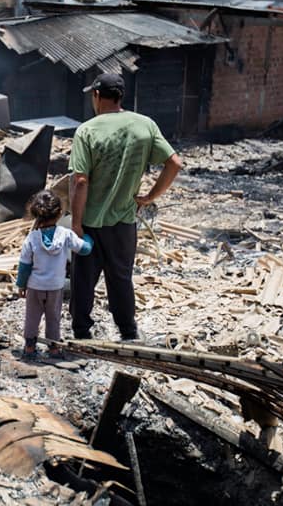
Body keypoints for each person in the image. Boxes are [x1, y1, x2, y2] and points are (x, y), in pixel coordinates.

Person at [69, 73, 182, 341]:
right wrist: (149, 197)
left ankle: (82, 333)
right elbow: (174, 163)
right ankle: (128, 332)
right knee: (121, 278)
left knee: (83, 280)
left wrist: (76, 223)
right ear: (121, 96)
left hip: (91, 223)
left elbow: (81, 181)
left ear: (96, 96)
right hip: (124, 221)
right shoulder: (145, 125)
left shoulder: (87, 131)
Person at [15, 190, 93, 360]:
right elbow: (85, 249)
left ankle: (29, 348)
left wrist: (21, 285)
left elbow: (24, 266)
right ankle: (53, 349)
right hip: (55, 288)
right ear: (59, 213)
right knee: (53, 318)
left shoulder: (32, 239)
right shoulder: (65, 235)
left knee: (32, 318)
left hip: (35, 287)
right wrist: (89, 238)